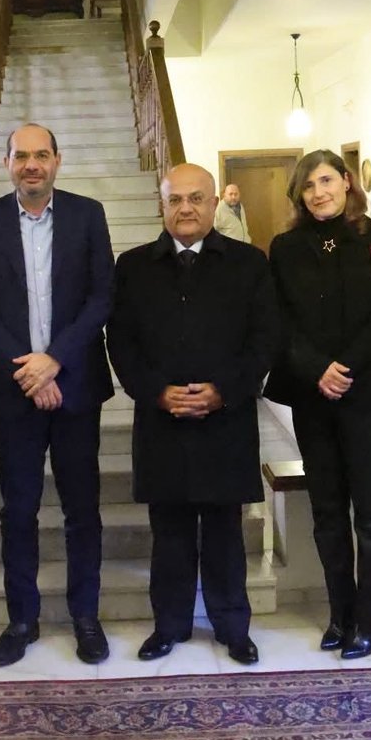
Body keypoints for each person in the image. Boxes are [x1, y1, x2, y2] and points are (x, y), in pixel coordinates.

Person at [107, 163, 281, 666]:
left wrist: (223, 392)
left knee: (225, 532)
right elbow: (120, 341)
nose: (185, 208)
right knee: (170, 532)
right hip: (161, 420)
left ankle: (232, 627)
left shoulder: (248, 264)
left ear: (214, 203)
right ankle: (170, 624)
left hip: (225, 420)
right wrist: (156, 392)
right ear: (161, 205)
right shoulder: (133, 266)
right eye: (175, 199)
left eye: (196, 198)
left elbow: (265, 339)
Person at [0, 124, 114, 667]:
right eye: (21, 155)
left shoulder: (88, 215)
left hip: (76, 388)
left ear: (57, 161)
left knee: (82, 510)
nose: (32, 164)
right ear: (7, 163)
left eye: (41, 155)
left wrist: (56, 361)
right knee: (18, 511)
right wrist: (29, 369)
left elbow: (102, 296)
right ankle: (21, 620)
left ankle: (86, 616)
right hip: (12, 391)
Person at [264, 150, 371, 659]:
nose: (318, 192)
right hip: (313, 397)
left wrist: (344, 366)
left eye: (326, 180)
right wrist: (317, 369)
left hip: (368, 394)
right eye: (308, 186)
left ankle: (368, 620)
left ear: (347, 182)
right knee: (327, 513)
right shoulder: (285, 247)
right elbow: (280, 321)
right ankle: (339, 614)